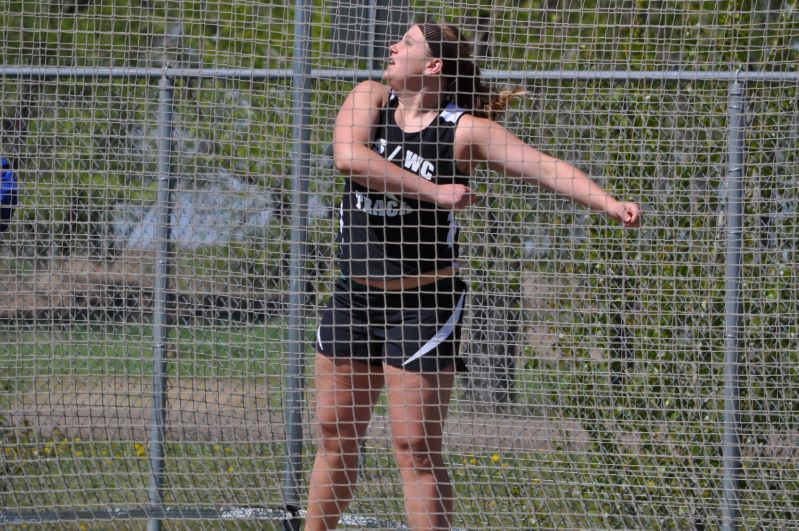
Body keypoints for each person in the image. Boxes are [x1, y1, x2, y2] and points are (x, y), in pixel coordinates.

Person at [306, 22, 641, 530]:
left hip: (421, 306)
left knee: (414, 447)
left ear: (433, 65)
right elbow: (348, 157)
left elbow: (544, 167)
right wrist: (435, 192)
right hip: (353, 298)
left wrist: (609, 203)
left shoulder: (464, 130)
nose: (393, 47)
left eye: (407, 43)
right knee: (334, 436)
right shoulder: (369, 97)